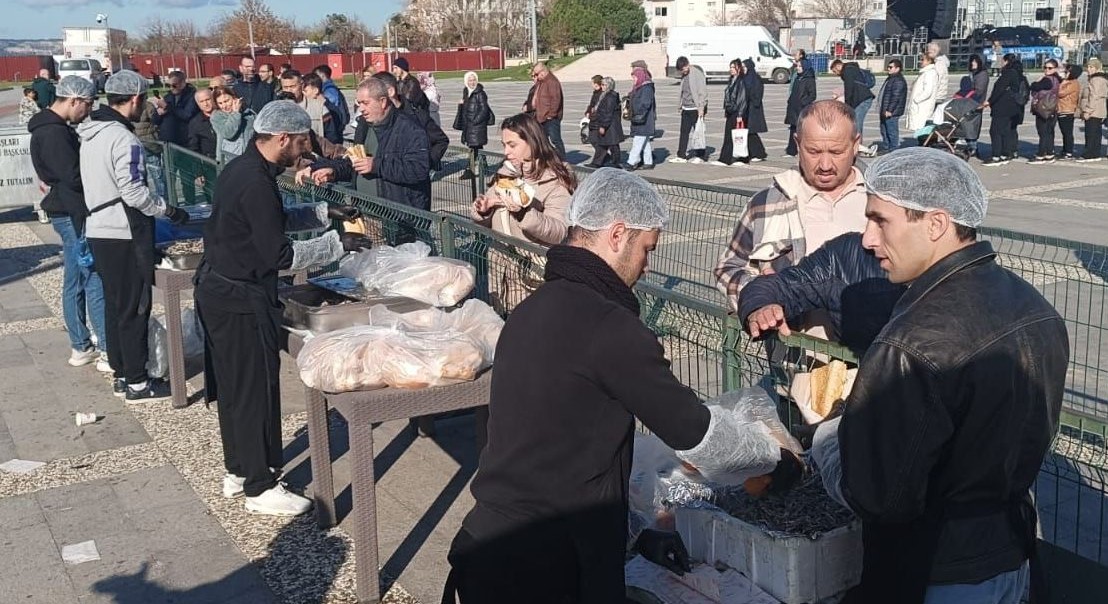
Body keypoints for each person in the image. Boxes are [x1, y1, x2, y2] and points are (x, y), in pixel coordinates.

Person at [809, 147, 1067, 604]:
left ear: (936, 224)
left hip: (938, 571)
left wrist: (829, 436)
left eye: (880, 220)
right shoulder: (1035, 308)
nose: (867, 239)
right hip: (1014, 554)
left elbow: (877, 497)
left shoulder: (911, 343)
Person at [445, 168, 712, 603]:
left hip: (491, 544)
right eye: (647, 249)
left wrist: (636, 534)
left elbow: (561, 456)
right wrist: (771, 456)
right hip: (550, 567)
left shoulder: (532, 310)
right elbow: (692, 429)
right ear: (618, 234)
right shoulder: (610, 327)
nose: (647, 265)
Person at [195, 100, 371, 516]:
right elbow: (278, 253)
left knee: (235, 389)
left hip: (219, 291)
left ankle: (239, 469)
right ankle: (260, 486)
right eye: (301, 140)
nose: (305, 149)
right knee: (253, 389)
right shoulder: (255, 181)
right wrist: (336, 244)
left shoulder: (244, 169)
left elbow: (269, 219)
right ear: (281, 139)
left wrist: (324, 211)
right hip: (237, 297)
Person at [77, 70, 190, 401]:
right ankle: (138, 381)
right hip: (122, 232)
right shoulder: (123, 139)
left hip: (98, 228)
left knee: (115, 305)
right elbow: (134, 192)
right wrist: (168, 210)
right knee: (134, 307)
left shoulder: (90, 133)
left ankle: (121, 371)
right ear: (137, 99)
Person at [714, 100, 868, 324]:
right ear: (797, 143)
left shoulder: (883, 201)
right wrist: (760, 297)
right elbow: (728, 268)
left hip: (871, 354)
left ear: (856, 144)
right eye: (813, 151)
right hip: (793, 354)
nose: (825, 164)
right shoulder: (765, 204)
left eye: (836, 152)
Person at [28, 76, 109, 371]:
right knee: (89, 276)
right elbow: (72, 175)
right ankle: (99, 345)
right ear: (74, 100)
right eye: (86, 105)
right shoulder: (54, 133)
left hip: (64, 208)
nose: (87, 112)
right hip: (71, 210)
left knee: (76, 277)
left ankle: (82, 344)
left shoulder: (49, 129)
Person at [471, 113, 576, 313]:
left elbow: (559, 231)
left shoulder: (555, 180)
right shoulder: (506, 173)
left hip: (533, 275)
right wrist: (482, 210)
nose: (506, 152)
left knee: (531, 332)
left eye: (512, 145)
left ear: (532, 142)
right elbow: (486, 217)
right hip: (502, 270)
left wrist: (524, 213)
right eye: (504, 145)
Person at [307, 77, 432, 211]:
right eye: (359, 103)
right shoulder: (364, 125)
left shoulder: (409, 128)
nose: (361, 109)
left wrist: (376, 165)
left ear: (383, 102)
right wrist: (333, 171)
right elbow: (355, 163)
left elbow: (418, 170)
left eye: (366, 103)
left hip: (398, 217)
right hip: (365, 210)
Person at [370, 71, 450, 172]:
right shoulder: (368, 121)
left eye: (374, 93)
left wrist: (426, 163)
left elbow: (441, 141)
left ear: (390, 91)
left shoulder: (417, 116)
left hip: (412, 181)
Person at [983, 53, 1028, 166]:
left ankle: (996, 156)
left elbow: (999, 90)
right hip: (1012, 108)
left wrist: (989, 101)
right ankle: (1006, 153)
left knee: (995, 131)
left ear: (1007, 61)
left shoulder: (1008, 74)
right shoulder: (1017, 74)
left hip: (1003, 107)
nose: (1001, 63)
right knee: (1007, 131)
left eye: (1003, 61)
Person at [830, 59, 878, 157]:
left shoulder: (847, 71)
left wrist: (847, 106)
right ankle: (857, 146)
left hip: (863, 99)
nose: (836, 74)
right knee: (855, 123)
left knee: (856, 123)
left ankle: (857, 147)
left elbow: (849, 88)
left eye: (835, 71)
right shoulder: (851, 69)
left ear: (838, 66)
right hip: (861, 99)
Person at [670, 56, 708, 163]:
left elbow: (702, 92)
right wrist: (680, 105)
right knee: (684, 132)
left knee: (698, 132)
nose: (682, 71)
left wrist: (701, 108)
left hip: (695, 108)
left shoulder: (697, 74)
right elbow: (682, 92)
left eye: (683, 69)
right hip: (686, 108)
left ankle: (700, 155)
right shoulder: (684, 75)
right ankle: (681, 155)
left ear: (687, 65)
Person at [456, 71, 491, 180]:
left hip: (476, 127)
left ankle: (470, 171)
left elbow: (484, 110)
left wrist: (475, 121)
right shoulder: (466, 92)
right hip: (469, 126)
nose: (472, 82)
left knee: (473, 148)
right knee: (477, 147)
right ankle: (485, 168)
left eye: (474, 80)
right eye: (470, 80)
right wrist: (461, 105)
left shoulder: (480, 93)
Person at [712, 59, 747, 167]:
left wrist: (740, 115)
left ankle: (727, 159)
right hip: (730, 111)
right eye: (730, 67)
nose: (731, 69)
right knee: (729, 135)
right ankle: (729, 157)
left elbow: (742, 98)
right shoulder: (732, 80)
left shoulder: (741, 81)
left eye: (733, 67)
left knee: (735, 136)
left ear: (738, 68)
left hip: (737, 112)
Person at [1028, 58, 1062, 164]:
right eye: (1045, 67)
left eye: (1050, 68)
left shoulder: (1047, 80)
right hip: (1052, 109)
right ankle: (1049, 153)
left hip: (1044, 109)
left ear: (1055, 69)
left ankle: (1041, 154)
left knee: (1043, 132)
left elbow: (1034, 86)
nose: (1047, 70)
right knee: (1049, 132)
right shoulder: (1057, 79)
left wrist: (1037, 82)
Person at [211, 86, 256, 163]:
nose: (224, 106)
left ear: (234, 98)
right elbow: (228, 133)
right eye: (220, 103)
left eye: (226, 101)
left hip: (249, 157)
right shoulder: (216, 116)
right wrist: (235, 114)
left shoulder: (249, 113)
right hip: (228, 160)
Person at [624, 65, 656, 171]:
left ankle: (631, 162)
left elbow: (646, 103)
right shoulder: (639, 87)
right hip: (640, 119)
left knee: (638, 141)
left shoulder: (646, 87)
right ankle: (648, 162)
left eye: (635, 77)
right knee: (645, 142)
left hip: (644, 119)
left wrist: (639, 113)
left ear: (640, 76)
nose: (634, 79)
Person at [531, 61, 566, 159]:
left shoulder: (551, 81)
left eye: (536, 74)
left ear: (543, 72)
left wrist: (551, 114)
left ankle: (562, 159)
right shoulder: (542, 82)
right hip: (542, 117)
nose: (536, 76)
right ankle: (549, 158)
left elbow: (556, 99)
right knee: (543, 140)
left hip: (550, 118)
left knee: (555, 139)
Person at [585, 77, 623, 168]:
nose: (601, 86)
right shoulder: (605, 95)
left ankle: (615, 163)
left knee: (613, 144)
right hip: (606, 123)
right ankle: (598, 162)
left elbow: (608, 113)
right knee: (604, 144)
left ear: (608, 85)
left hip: (611, 125)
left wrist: (603, 126)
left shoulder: (610, 96)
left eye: (603, 85)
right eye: (601, 84)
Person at [784, 56, 816, 158]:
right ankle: (791, 151)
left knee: (803, 130)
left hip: (802, 108)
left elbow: (812, 95)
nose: (797, 68)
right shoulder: (798, 78)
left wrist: (803, 102)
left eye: (799, 66)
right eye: (797, 66)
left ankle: (806, 150)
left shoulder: (809, 79)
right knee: (793, 129)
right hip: (793, 108)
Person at [1077, 57, 1107, 162]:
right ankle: (1095, 153)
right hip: (1098, 110)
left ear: (1097, 68)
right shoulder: (1099, 78)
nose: (1088, 69)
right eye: (1088, 67)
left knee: (1091, 133)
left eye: (1091, 67)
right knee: (1096, 133)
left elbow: (1094, 96)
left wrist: (1088, 111)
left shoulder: (1096, 79)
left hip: (1094, 111)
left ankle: (1089, 154)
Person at [739, 58, 768, 162]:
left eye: (744, 67)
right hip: (746, 109)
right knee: (748, 132)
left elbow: (757, 95)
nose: (743, 69)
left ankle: (759, 153)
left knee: (751, 132)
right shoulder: (744, 78)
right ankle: (753, 153)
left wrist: (749, 98)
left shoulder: (755, 79)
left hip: (753, 109)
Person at [314, 65, 351, 141]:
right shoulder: (327, 88)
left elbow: (329, 107)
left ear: (322, 75)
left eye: (316, 75)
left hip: (334, 126)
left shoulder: (329, 90)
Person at [877, 59, 907, 152]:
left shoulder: (898, 80)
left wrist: (889, 110)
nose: (888, 69)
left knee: (891, 131)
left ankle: (893, 149)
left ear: (897, 68)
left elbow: (895, 97)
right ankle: (886, 147)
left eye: (890, 67)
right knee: (884, 130)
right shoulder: (891, 78)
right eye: (888, 67)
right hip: (884, 109)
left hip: (892, 112)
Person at [906, 54, 939, 133]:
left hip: (922, 106)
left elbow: (928, 91)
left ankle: (924, 144)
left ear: (929, 61)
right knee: (919, 130)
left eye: (923, 60)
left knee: (922, 129)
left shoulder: (930, 73)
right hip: (920, 106)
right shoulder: (924, 72)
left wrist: (916, 100)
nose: (920, 62)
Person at [300, 73, 336, 143]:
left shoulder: (326, 109)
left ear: (316, 90)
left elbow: (332, 135)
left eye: (305, 91)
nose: (303, 94)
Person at [1057, 64, 1081, 160]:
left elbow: (1060, 93)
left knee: (1067, 132)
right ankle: (1065, 149)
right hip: (1062, 109)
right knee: (1064, 132)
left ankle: (1068, 151)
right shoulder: (1067, 82)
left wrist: (1062, 82)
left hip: (1067, 110)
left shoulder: (1072, 83)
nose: (1065, 73)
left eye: (1067, 72)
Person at [188, 88, 218, 160]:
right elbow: (193, 147)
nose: (206, 104)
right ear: (198, 104)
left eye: (208, 99)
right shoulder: (195, 122)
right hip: (209, 162)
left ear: (213, 99)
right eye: (201, 101)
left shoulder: (223, 115)